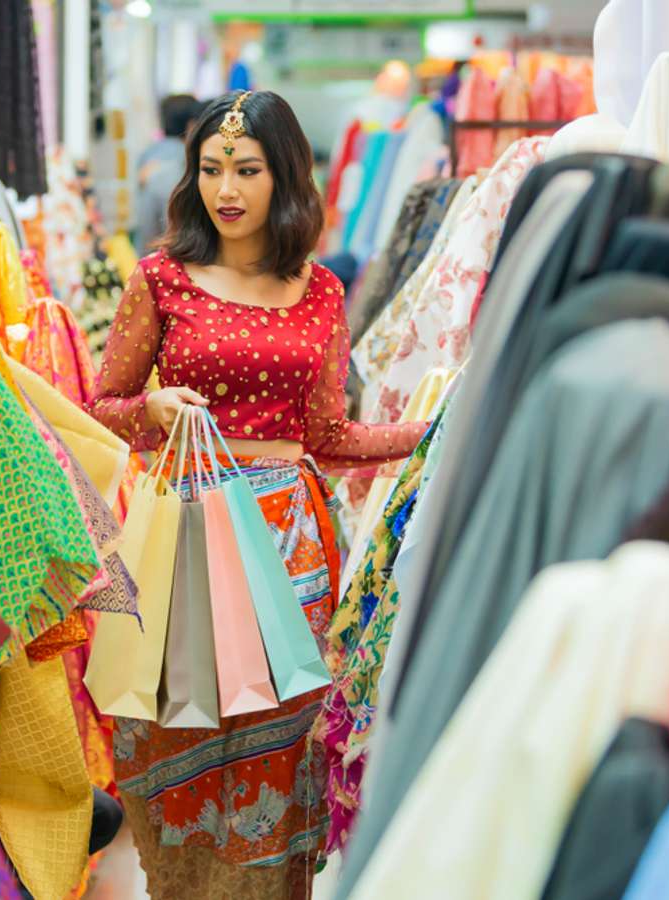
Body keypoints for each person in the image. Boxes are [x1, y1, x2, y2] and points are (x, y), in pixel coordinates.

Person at [89, 90, 430, 899]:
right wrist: (153, 410)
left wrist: (434, 430)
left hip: (293, 554)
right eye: (210, 169)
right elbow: (100, 407)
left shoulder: (320, 292)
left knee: (285, 749)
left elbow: (330, 437)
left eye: (246, 169)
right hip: (185, 542)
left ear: (285, 178)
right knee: (180, 727)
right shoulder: (160, 279)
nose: (226, 189)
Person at [134, 93, 202, 252]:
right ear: (191, 125)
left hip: (150, 256)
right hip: (181, 256)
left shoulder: (147, 154)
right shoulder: (188, 161)